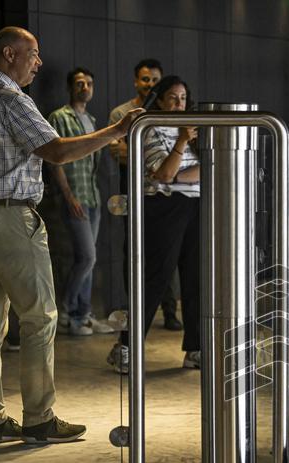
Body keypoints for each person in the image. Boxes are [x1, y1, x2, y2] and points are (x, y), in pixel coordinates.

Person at [0, 27, 142, 446]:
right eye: (33, 54)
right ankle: (39, 418)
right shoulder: (11, 99)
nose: (38, 62)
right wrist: (116, 131)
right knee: (39, 319)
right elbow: (57, 151)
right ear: (9, 54)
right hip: (9, 218)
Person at [107, 75, 201, 374]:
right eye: (172, 97)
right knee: (154, 280)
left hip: (196, 206)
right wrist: (181, 146)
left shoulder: (194, 129)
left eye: (183, 98)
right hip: (163, 207)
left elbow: (206, 169)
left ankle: (195, 348)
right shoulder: (148, 129)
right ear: (160, 100)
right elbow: (163, 174)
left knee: (196, 279)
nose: (179, 104)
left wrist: (177, 174)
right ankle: (126, 347)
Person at [108, 58, 182, 332]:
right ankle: (135, 311)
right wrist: (158, 159)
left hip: (166, 193)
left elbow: (172, 162)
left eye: (155, 80)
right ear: (136, 81)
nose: (149, 84)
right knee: (134, 250)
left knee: (167, 253)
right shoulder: (121, 113)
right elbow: (117, 153)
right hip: (132, 189)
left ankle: (170, 311)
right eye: (145, 79)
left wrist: (145, 154)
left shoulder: (169, 112)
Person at [47, 67, 112, 338]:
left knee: (88, 259)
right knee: (87, 257)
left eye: (89, 83)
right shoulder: (59, 117)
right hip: (75, 196)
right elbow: (54, 159)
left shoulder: (92, 120)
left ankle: (82, 316)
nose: (85, 87)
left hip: (92, 195)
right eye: (80, 83)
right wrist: (68, 195)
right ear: (70, 87)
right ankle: (67, 310)